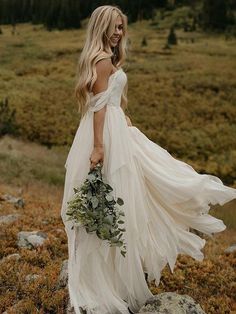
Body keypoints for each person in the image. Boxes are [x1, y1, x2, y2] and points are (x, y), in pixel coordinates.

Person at [60, 5, 236, 314]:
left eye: (121, 27)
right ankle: (104, 280)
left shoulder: (104, 60)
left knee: (131, 193)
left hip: (116, 130)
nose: (119, 33)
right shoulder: (101, 61)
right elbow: (99, 107)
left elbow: (108, 103)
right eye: (114, 27)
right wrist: (99, 147)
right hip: (105, 136)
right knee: (115, 199)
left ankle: (115, 276)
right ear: (101, 27)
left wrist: (124, 118)